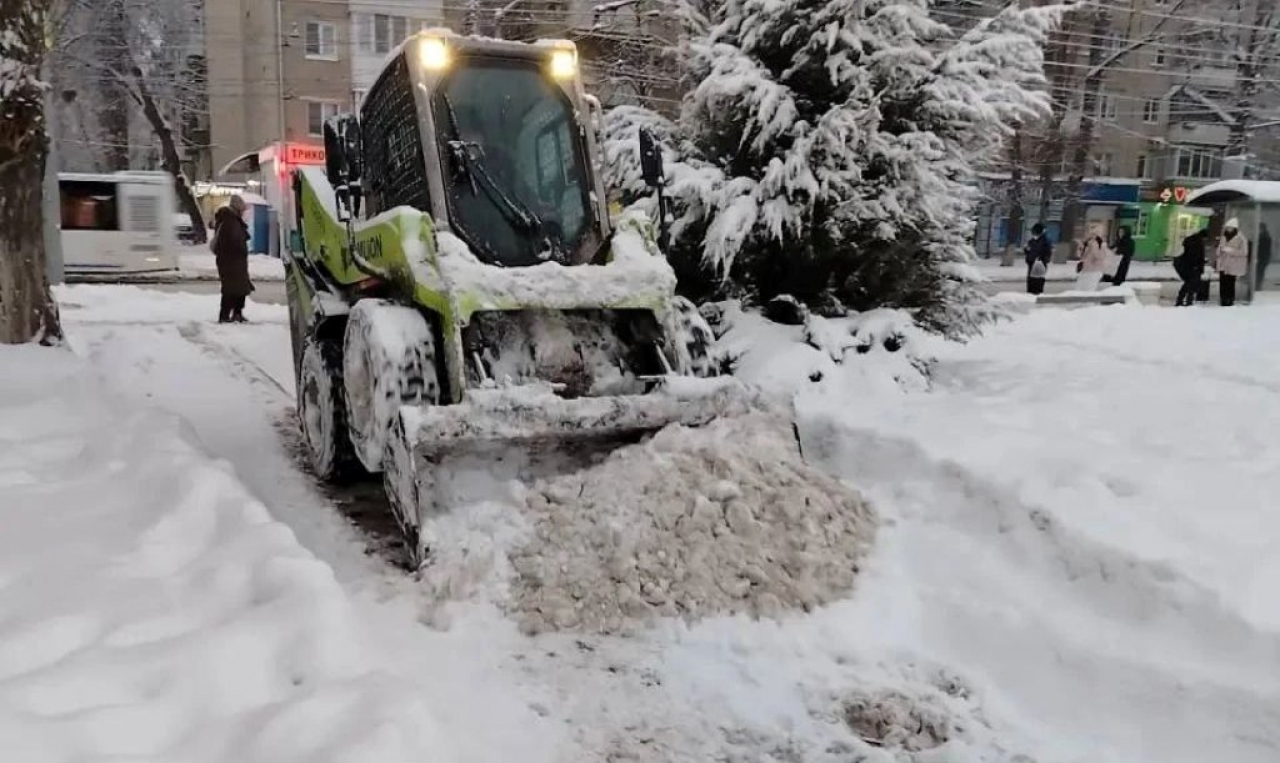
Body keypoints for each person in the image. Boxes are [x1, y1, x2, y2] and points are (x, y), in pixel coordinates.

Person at [212, 195, 253, 323]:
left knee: (239, 288)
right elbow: (234, 240)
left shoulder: (232, 219)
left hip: (233, 261)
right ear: (238, 208)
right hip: (230, 261)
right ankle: (225, 315)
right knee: (231, 289)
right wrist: (240, 249)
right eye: (242, 210)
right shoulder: (230, 220)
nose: (243, 213)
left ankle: (237, 313)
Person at [1215, 218, 1249, 307]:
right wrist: (1219, 250)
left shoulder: (1241, 239)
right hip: (1223, 264)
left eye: (1229, 227)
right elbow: (1219, 250)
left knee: (1230, 283)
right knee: (1223, 283)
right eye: (1227, 227)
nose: (1227, 229)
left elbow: (1244, 252)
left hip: (1233, 265)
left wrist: (1230, 250)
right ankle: (1223, 299)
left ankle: (1230, 300)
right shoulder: (1223, 237)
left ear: (1234, 228)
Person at [1174, 229, 1207, 307]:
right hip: (1194, 267)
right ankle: (1188, 301)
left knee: (1188, 283)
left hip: (1186, 266)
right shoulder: (1198, 242)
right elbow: (1198, 256)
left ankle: (1180, 300)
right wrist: (1199, 266)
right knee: (1191, 285)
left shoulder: (1189, 240)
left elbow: (1187, 253)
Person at [1023, 223, 1052, 293]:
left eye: (1035, 232)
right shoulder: (1032, 241)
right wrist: (1026, 250)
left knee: (1038, 282)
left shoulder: (1045, 241)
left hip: (1040, 264)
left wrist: (1043, 259)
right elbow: (1029, 251)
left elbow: (1047, 253)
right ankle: (1030, 294)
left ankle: (1037, 294)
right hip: (1031, 263)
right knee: (1030, 282)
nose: (1033, 234)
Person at [1257, 223, 1272, 293]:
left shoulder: (1264, 237)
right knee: (1260, 271)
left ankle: (1258, 285)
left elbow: (1263, 248)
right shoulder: (1266, 236)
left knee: (1260, 271)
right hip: (1264, 257)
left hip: (1263, 258)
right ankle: (1258, 285)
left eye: (1260, 228)